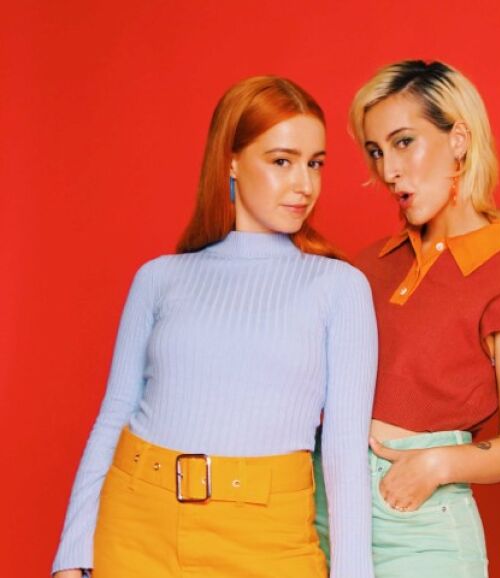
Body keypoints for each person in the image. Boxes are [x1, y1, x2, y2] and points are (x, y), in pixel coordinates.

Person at [51, 76, 377, 578]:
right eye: (282, 161)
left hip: (265, 535)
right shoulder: (160, 278)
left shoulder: (338, 286)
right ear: (231, 161)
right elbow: (114, 413)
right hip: (137, 522)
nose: (304, 185)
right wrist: (72, 555)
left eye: (315, 164)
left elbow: (343, 451)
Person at [321, 59, 500, 578]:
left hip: (419, 526)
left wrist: (436, 464)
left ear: (459, 140)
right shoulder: (367, 266)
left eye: (404, 142)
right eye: (376, 151)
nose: (388, 171)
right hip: (326, 513)